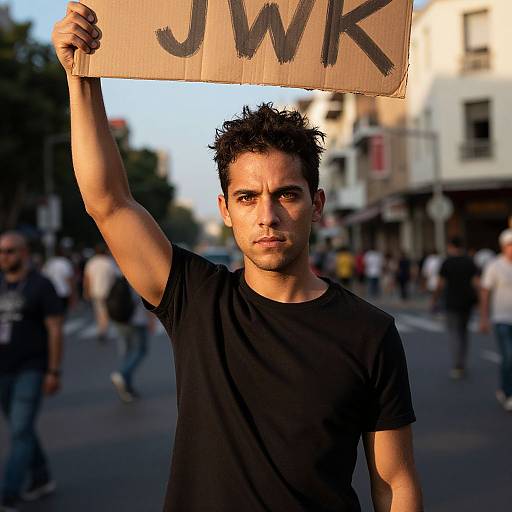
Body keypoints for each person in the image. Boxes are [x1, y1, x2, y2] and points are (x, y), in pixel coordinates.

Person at [52, 5, 423, 511]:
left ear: (316, 204)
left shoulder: (371, 331)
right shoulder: (196, 299)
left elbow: (394, 483)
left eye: (286, 195)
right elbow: (108, 201)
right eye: (248, 198)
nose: (267, 215)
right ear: (226, 211)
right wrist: (81, 79)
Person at [0, 232, 64, 511]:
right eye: (1, 251)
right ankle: (41, 477)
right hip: (3, 368)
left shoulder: (41, 285)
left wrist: (53, 371)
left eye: (10, 251)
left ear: (24, 253)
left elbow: (55, 329)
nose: (4, 256)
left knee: (22, 430)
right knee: (19, 428)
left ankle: (7, 492)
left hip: (32, 368)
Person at [433, 237, 479, 379]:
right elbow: (476, 282)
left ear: (450, 246)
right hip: (467, 301)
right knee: (464, 332)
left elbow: (440, 284)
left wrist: (434, 299)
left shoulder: (447, 262)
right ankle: (462, 361)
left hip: (451, 301)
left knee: (453, 333)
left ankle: (457, 364)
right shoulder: (469, 262)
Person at [479, 229, 512, 411]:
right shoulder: (494, 266)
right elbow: (485, 292)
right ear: (503, 247)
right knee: (508, 357)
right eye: (509, 245)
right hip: (502, 318)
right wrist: (484, 318)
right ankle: (508, 392)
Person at [111, 289, 155, 403]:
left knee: (127, 353)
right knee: (140, 350)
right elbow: (147, 299)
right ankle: (122, 374)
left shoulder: (122, 277)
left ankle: (127, 388)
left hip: (121, 320)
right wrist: (151, 320)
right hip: (137, 320)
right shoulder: (138, 277)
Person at [83, 243, 117, 343]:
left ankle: (101, 330)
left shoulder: (91, 262)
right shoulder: (109, 262)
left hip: (95, 291)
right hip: (108, 291)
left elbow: (87, 278)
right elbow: (115, 277)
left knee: (99, 312)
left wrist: (86, 291)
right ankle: (103, 330)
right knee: (105, 312)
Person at [42, 246, 78, 314]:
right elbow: (69, 279)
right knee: (63, 312)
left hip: (51, 292)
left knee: (53, 313)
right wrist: (73, 294)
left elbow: (44, 277)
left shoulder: (49, 263)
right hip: (63, 292)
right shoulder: (65, 262)